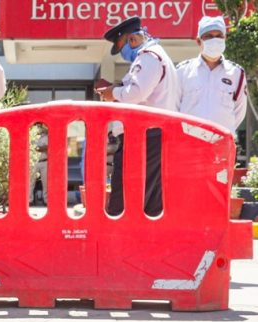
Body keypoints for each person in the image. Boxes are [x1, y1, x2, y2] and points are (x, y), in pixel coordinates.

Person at [96, 17, 178, 217]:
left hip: (144, 137)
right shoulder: (156, 56)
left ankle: (118, 244)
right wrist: (117, 89)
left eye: (121, 46)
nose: (122, 54)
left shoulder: (148, 56)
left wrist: (112, 93)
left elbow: (135, 94)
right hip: (149, 136)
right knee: (148, 196)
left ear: (132, 40)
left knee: (124, 196)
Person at [177, 16, 248, 134]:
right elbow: (174, 108)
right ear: (199, 41)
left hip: (221, 143)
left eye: (219, 36)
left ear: (225, 38)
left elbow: (239, 112)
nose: (214, 40)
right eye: (208, 36)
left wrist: (224, 131)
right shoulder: (182, 71)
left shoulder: (236, 73)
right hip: (189, 142)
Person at [29, 126, 48, 206]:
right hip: (33, 161)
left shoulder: (47, 137)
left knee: (45, 182)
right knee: (31, 182)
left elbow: (46, 147)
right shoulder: (31, 136)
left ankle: (46, 201)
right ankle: (30, 200)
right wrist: (39, 148)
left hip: (44, 161)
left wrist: (36, 148)